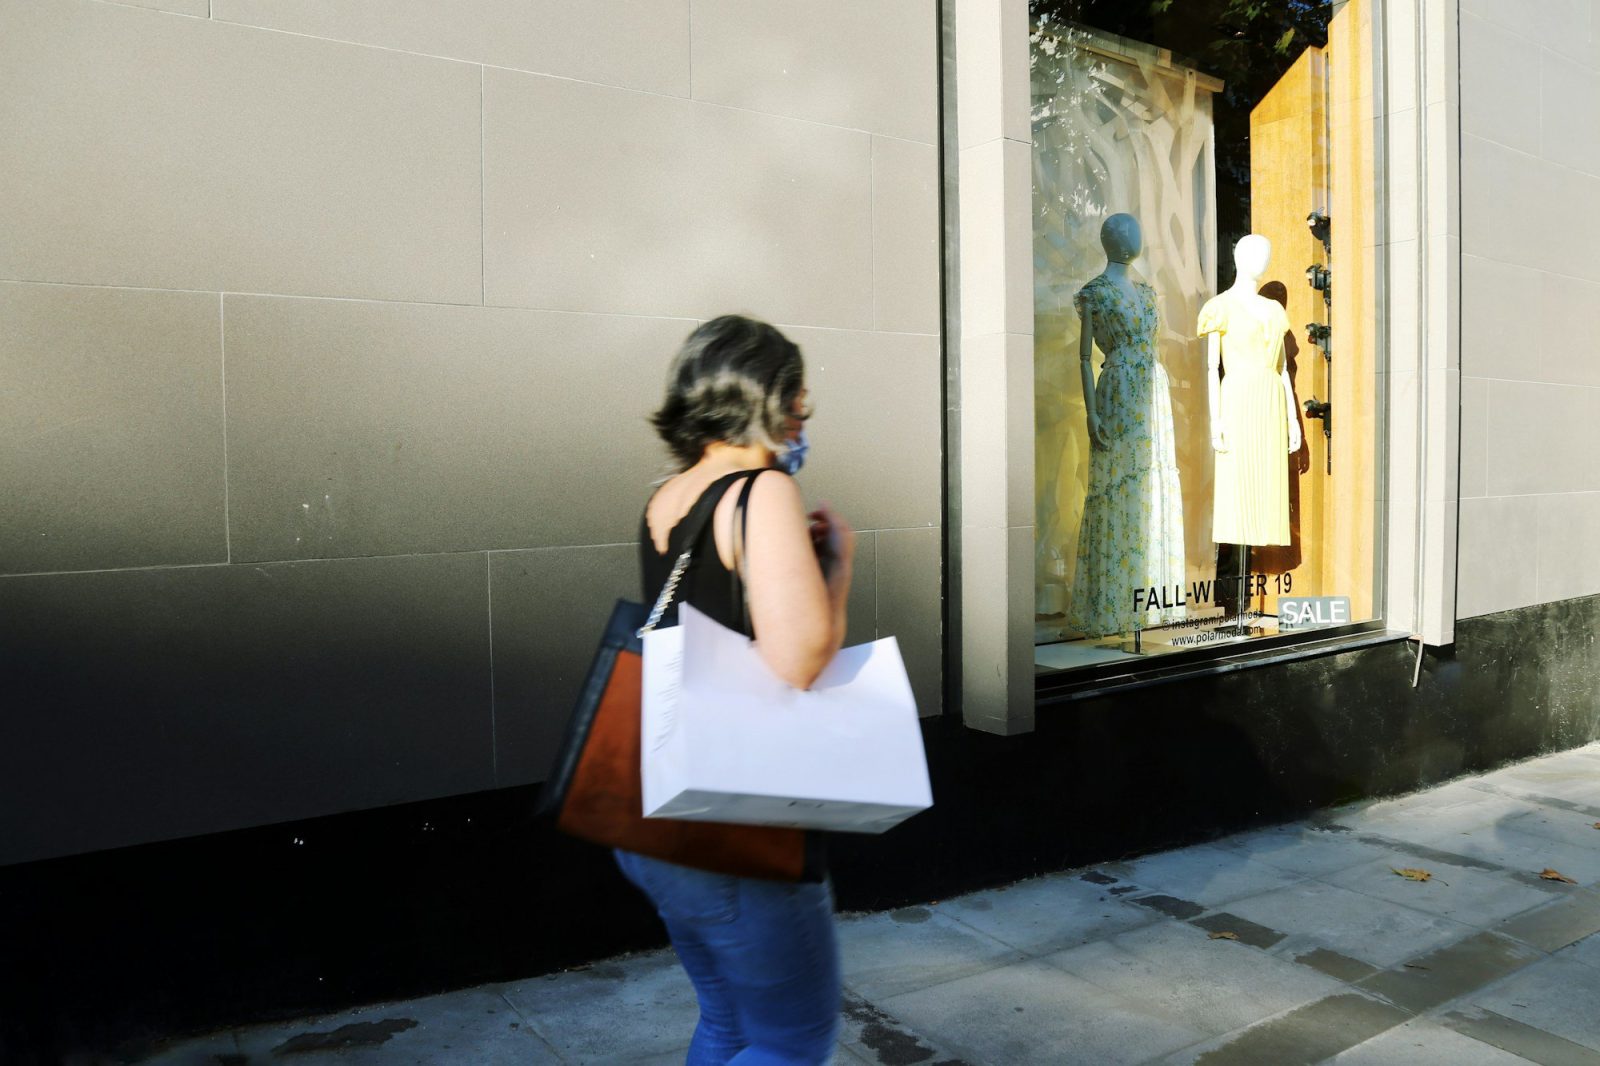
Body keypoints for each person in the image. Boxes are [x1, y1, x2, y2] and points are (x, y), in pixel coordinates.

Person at [616, 314, 855, 1065]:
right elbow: (801, 658)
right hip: (738, 823)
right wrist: (838, 572)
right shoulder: (763, 491)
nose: (804, 408)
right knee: (794, 1040)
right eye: (795, 392)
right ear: (766, 396)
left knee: (730, 1023)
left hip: (661, 812)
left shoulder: (671, 495)